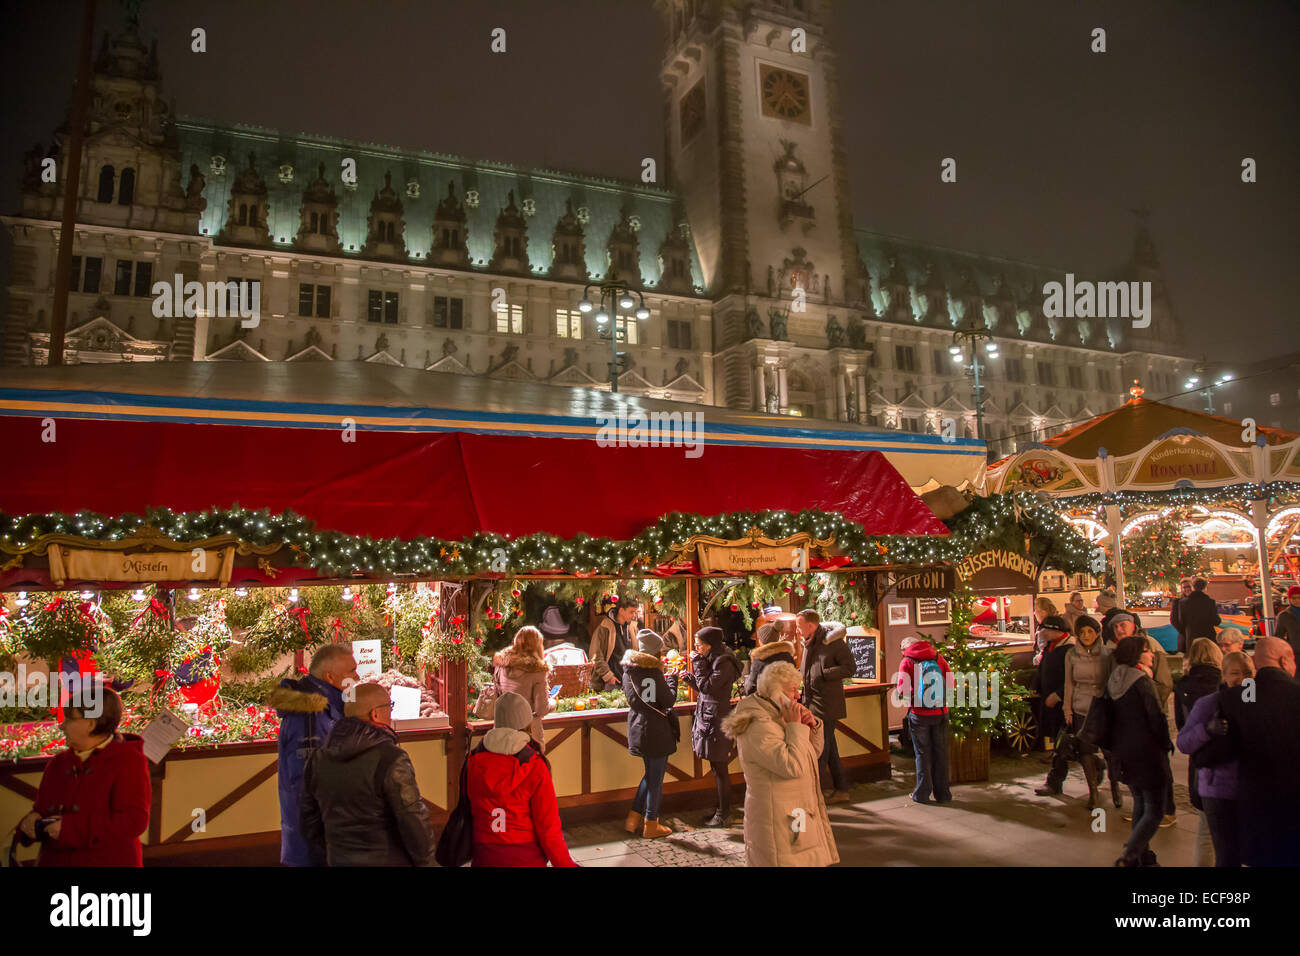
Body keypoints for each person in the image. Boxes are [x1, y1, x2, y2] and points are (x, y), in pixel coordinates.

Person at [300, 682, 434, 866]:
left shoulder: (317, 759)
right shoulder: (391, 758)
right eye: (390, 706)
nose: (391, 711)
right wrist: (427, 862)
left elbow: (309, 821)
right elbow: (412, 820)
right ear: (376, 714)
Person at [721, 661, 839, 866]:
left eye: (798, 688)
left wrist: (811, 727)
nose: (798, 695)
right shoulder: (758, 722)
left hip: (796, 813)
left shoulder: (779, 712)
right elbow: (792, 766)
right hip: (777, 820)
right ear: (777, 692)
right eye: (793, 690)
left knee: (804, 856)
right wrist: (795, 726)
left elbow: (810, 755)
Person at [18, 685, 149, 866]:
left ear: (91, 723)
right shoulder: (59, 762)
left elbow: (133, 821)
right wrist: (30, 823)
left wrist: (70, 829)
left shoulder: (128, 760)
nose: (62, 725)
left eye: (70, 719)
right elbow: (42, 809)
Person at [268, 643, 357, 866]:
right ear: (330, 677)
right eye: (351, 670)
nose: (357, 676)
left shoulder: (327, 706)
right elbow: (307, 784)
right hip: (315, 843)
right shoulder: (309, 713)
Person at [465, 691, 577, 867]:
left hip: (485, 855)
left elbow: (469, 809)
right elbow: (548, 829)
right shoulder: (534, 765)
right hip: (525, 857)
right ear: (527, 724)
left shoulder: (473, 760)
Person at [1218, 636, 1300, 866]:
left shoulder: (1242, 695)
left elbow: (1222, 748)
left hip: (1254, 808)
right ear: (1284, 661)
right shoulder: (1295, 693)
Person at [1177, 651, 1253, 868]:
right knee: (1224, 852)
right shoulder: (1208, 704)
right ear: (1224, 675)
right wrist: (1207, 730)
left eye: (1248, 673)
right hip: (1217, 789)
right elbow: (1184, 743)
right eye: (1235, 673)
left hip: (1249, 788)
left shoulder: (1257, 701)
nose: (1242, 678)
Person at [1108, 635, 1174, 867]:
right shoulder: (1141, 680)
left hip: (1123, 750)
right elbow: (1155, 717)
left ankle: (1142, 858)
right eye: (1147, 650)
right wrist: (1166, 743)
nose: (1152, 654)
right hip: (1146, 752)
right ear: (1136, 654)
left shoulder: (1116, 678)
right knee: (1155, 809)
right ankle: (1130, 856)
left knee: (1139, 803)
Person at [678, 625, 741, 827]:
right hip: (709, 716)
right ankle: (720, 811)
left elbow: (708, 687)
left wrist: (696, 664)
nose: (696, 649)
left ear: (709, 645)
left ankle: (723, 814)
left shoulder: (723, 663)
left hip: (717, 719)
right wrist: (690, 680)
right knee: (716, 766)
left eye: (699, 645)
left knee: (720, 767)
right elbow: (707, 689)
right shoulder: (713, 659)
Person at [622, 629, 679, 838]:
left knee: (650, 774)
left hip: (638, 727)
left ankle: (632, 818)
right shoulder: (653, 672)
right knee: (656, 779)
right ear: (655, 652)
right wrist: (672, 680)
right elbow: (668, 700)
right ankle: (651, 823)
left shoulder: (629, 671)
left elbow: (635, 699)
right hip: (656, 730)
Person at [796, 609, 857, 803]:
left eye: (799, 626)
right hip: (813, 702)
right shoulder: (808, 643)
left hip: (827, 704)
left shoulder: (833, 643)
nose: (797, 630)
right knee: (830, 749)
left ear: (811, 626)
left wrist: (824, 673)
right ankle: (841, 789)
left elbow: (850, 667)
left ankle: (815, 796)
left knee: (820, 750)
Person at [1172, 637, 1223, 865]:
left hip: (1198, 760)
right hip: (1224, 763)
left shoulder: (1183, 686)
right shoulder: (1223, 684)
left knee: (1205, 829)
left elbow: (1182, 729)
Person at [1053, 614, 1113, 808]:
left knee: (1110, 751)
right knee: (1085, 751)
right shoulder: (1071, 655)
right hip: (1081, 707)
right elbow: (1069, 683)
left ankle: (1115, 787)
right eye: (1082, 632)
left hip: (1102, 707)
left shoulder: (1107, 655)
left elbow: (1112, 682)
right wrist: (1067, 708)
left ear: (1097, 633)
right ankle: (1093, 791)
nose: (1086, 635)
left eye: (1090, 631)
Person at [898, 634, 954, 804]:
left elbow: (903, 689)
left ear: (905, 649)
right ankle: (943, 794)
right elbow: (950, 681)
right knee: (941, 753)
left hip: (919, 714)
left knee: (923, 754)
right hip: (940, 711)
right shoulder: (937, 657)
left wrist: (916, 697)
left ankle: (922, 794)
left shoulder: (907, 661)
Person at [491, 625, 554, 752]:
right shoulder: (537, 670)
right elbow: (541, 709)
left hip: (502, 727)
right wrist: (553, 702)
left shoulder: (502, 664)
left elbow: (497, 693)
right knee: (530, 769)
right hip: (529, 732)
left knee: (506, 769)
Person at [1032, 614, 1075, 794]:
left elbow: (1073, 679)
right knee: (1065, 746)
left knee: (1062, 746)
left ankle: (1054, 782)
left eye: (1045, 629)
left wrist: (1058, 695)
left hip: (1065, 707)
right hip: (1050, 703)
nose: (1042, 633)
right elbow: (1043, 670)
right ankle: (1095, 763)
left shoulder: (1069, 650)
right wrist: (1037, 687)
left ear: (1056, 631)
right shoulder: (1051, 647)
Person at [588, 598, 640, 692]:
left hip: (629, 682)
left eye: (635, 612)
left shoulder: (633, 627)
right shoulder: (604, 628)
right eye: (631, 612)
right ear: (621, 610)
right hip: (610, 683)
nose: (634, 615)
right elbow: (595, 655)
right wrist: (608, 676)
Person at [744, 621, 797, 696]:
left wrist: (746, 683)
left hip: (767, 704)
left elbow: (751, 688)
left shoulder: (760, 660)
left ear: (762, 640)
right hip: (787, 701)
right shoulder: (788, 657)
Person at [1178, 578, 1222, 653]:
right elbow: (1216, 621)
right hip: (1207, 636)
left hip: (1191, 637)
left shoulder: (1183, 603)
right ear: (1205, 588)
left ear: (1193, 587)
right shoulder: (1209, 602)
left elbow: (1181, 622)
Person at [1274, 585, 1300, 656]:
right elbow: (1279, 636)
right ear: (1289, 599)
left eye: (1299, 597)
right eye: (1293, 598)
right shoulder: (1284, 615)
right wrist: (1289, 646)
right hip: (1295, 654)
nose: (1297, 600)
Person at [1169, 578, 1193, 653]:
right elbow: (1174, 620)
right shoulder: (1177, 602)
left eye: (1188, 586)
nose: (1186, 589)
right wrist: (1185, 631)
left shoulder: (1199, 601)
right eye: (1184, 587)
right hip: (1185, 638)